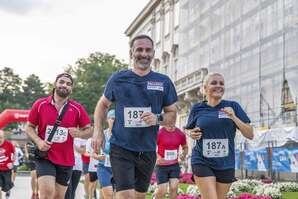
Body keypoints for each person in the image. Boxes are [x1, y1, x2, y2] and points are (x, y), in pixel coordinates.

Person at [92, 34, 178, 199]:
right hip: (121, 147)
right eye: (139, 50)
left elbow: (172, 114)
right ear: (131, 53)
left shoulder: (163, 82)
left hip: (147, 149)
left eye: (148, 50)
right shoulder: (118, 79)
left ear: (153, 53)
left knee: (139, 196)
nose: (144, 54)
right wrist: (98, 130)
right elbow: (102, 105)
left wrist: (157, 118)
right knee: (126, 196)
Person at [185, 72, 254, 199]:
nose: (218, 86)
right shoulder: (197, 108)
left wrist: (233, 117)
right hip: (202, 160)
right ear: (205, 88)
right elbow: (189, 130)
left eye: (221, 83)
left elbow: (250, 134)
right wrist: (191, 133)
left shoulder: (233, 106)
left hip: (225, 163)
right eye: (214, 83)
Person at [25, 73, 92, 199]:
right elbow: (29, 127)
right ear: (55, 84)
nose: (64, 85)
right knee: (46, 194)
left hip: (66, 159)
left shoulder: (76, 108)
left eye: (68, 84)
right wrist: (39, 141)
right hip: (45, 156)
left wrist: (80, 134)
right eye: (61, 82)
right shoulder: (40, 104)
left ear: (71, 88)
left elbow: (90, 130)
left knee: (58, 197)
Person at [154, 125, 188, 199]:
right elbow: (152, 146)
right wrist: (158, 157)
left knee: (174, 188)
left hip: (174, 165)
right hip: (161, 166)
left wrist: (183, 154)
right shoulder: (159, 133)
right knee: (162, 190)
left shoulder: (180, 133)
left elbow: (185, 147)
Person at [94, 109, 115, 199]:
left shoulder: (123, 137)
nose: (115, 121)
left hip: (119, 168)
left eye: (117, 119)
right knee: (109, 194)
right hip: (104, 168)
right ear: (107, 120)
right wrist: (99, 157)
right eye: (112, 118)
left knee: (119, 196)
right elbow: (94, 153)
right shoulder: (102, 134)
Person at [0, 130, 15, 199]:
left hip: (6, 169)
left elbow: (14, 154)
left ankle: (8, 190)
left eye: (0, 137)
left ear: (3, 137)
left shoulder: (9, 144)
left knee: (6, 186)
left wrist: (12, 162)